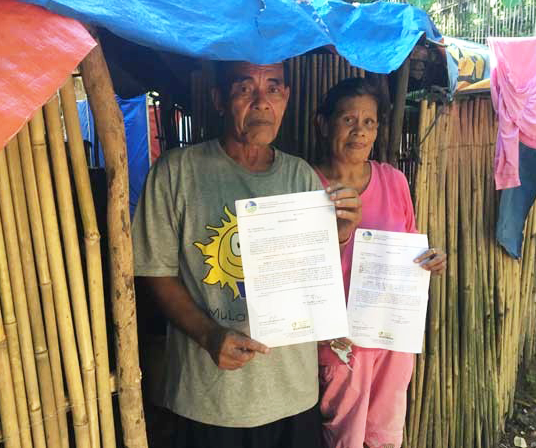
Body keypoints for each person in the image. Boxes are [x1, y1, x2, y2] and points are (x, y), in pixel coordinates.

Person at [131, 61, 362, 448]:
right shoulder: (176, 173)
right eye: (244, 89)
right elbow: (156, 272)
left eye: (273, 88)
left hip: (292, 395)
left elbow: (311, 277)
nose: (261, 102)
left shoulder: (301, 178)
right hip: (209, 400)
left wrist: (338, 236)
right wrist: (208, 334)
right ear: (219, 99)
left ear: (286, 98)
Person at [313, 77, 447, 448]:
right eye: (348, 120)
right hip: (341, 345)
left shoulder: (394, 181)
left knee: (383, 437)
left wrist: (430, 260)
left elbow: (410, 247)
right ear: (323, 124)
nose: (359, 131)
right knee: (343, 437)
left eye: (369, 122)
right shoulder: (306, 185)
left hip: (391, 339)